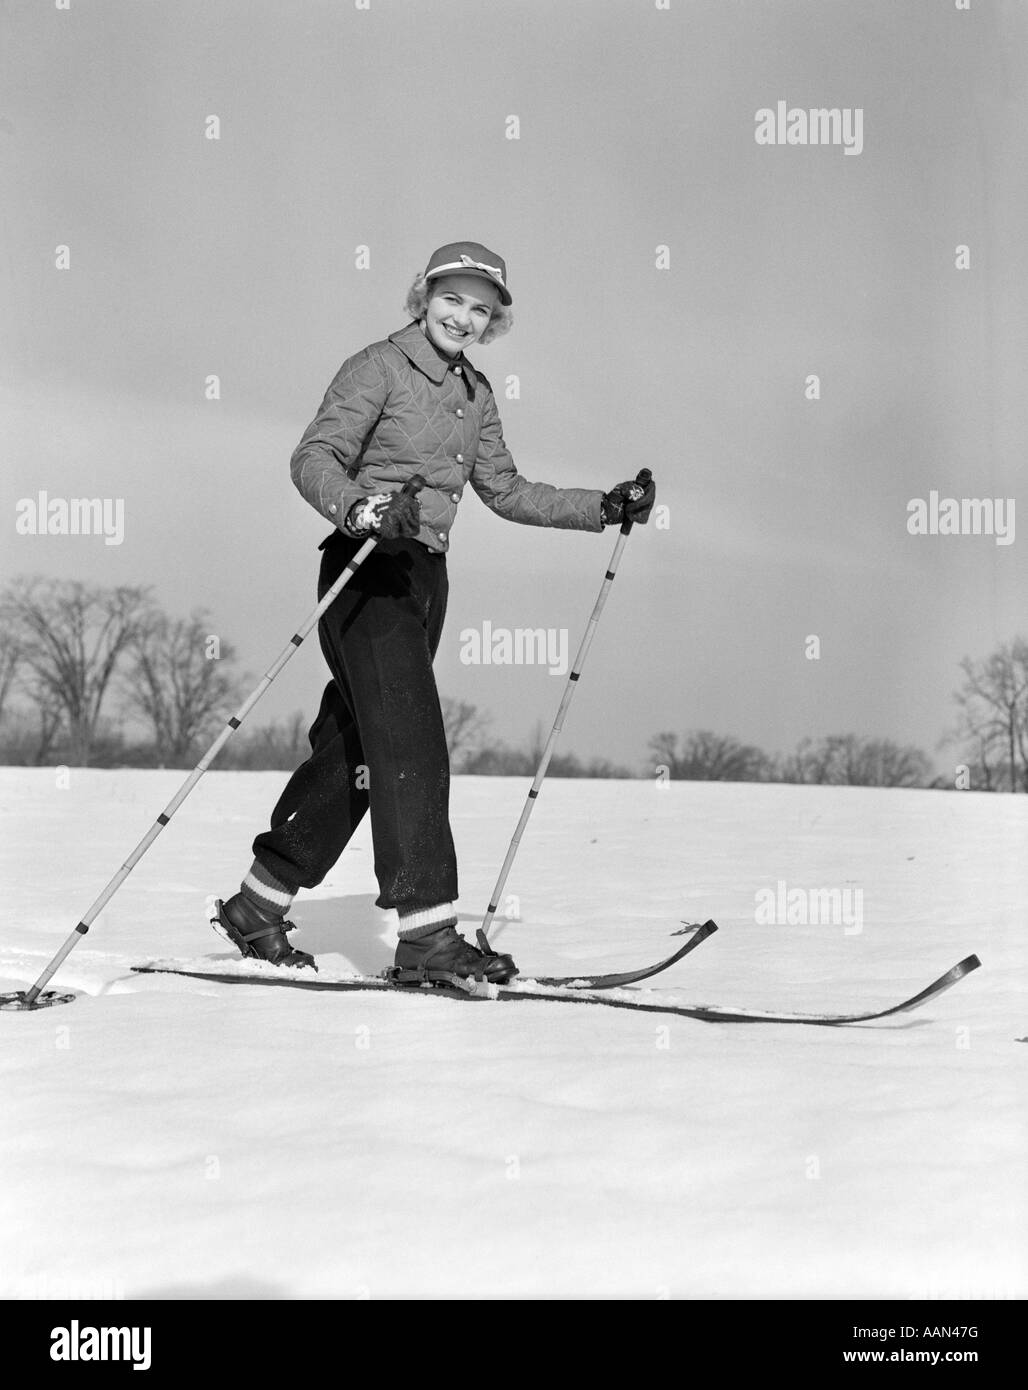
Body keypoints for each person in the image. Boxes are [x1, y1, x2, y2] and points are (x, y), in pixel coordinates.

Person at [213, 240, 655, 981]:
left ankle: (258, 904)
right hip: (365, 568)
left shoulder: (476, 394)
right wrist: (363, 507)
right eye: (452, 299)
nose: (464, 317)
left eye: (481, 310)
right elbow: (313, 457)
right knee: (412, 743)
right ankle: (426, 937)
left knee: (358, 751)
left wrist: (602, 507)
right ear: (423, 296)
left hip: (423, 580)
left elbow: (508, 491)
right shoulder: (378, 366)